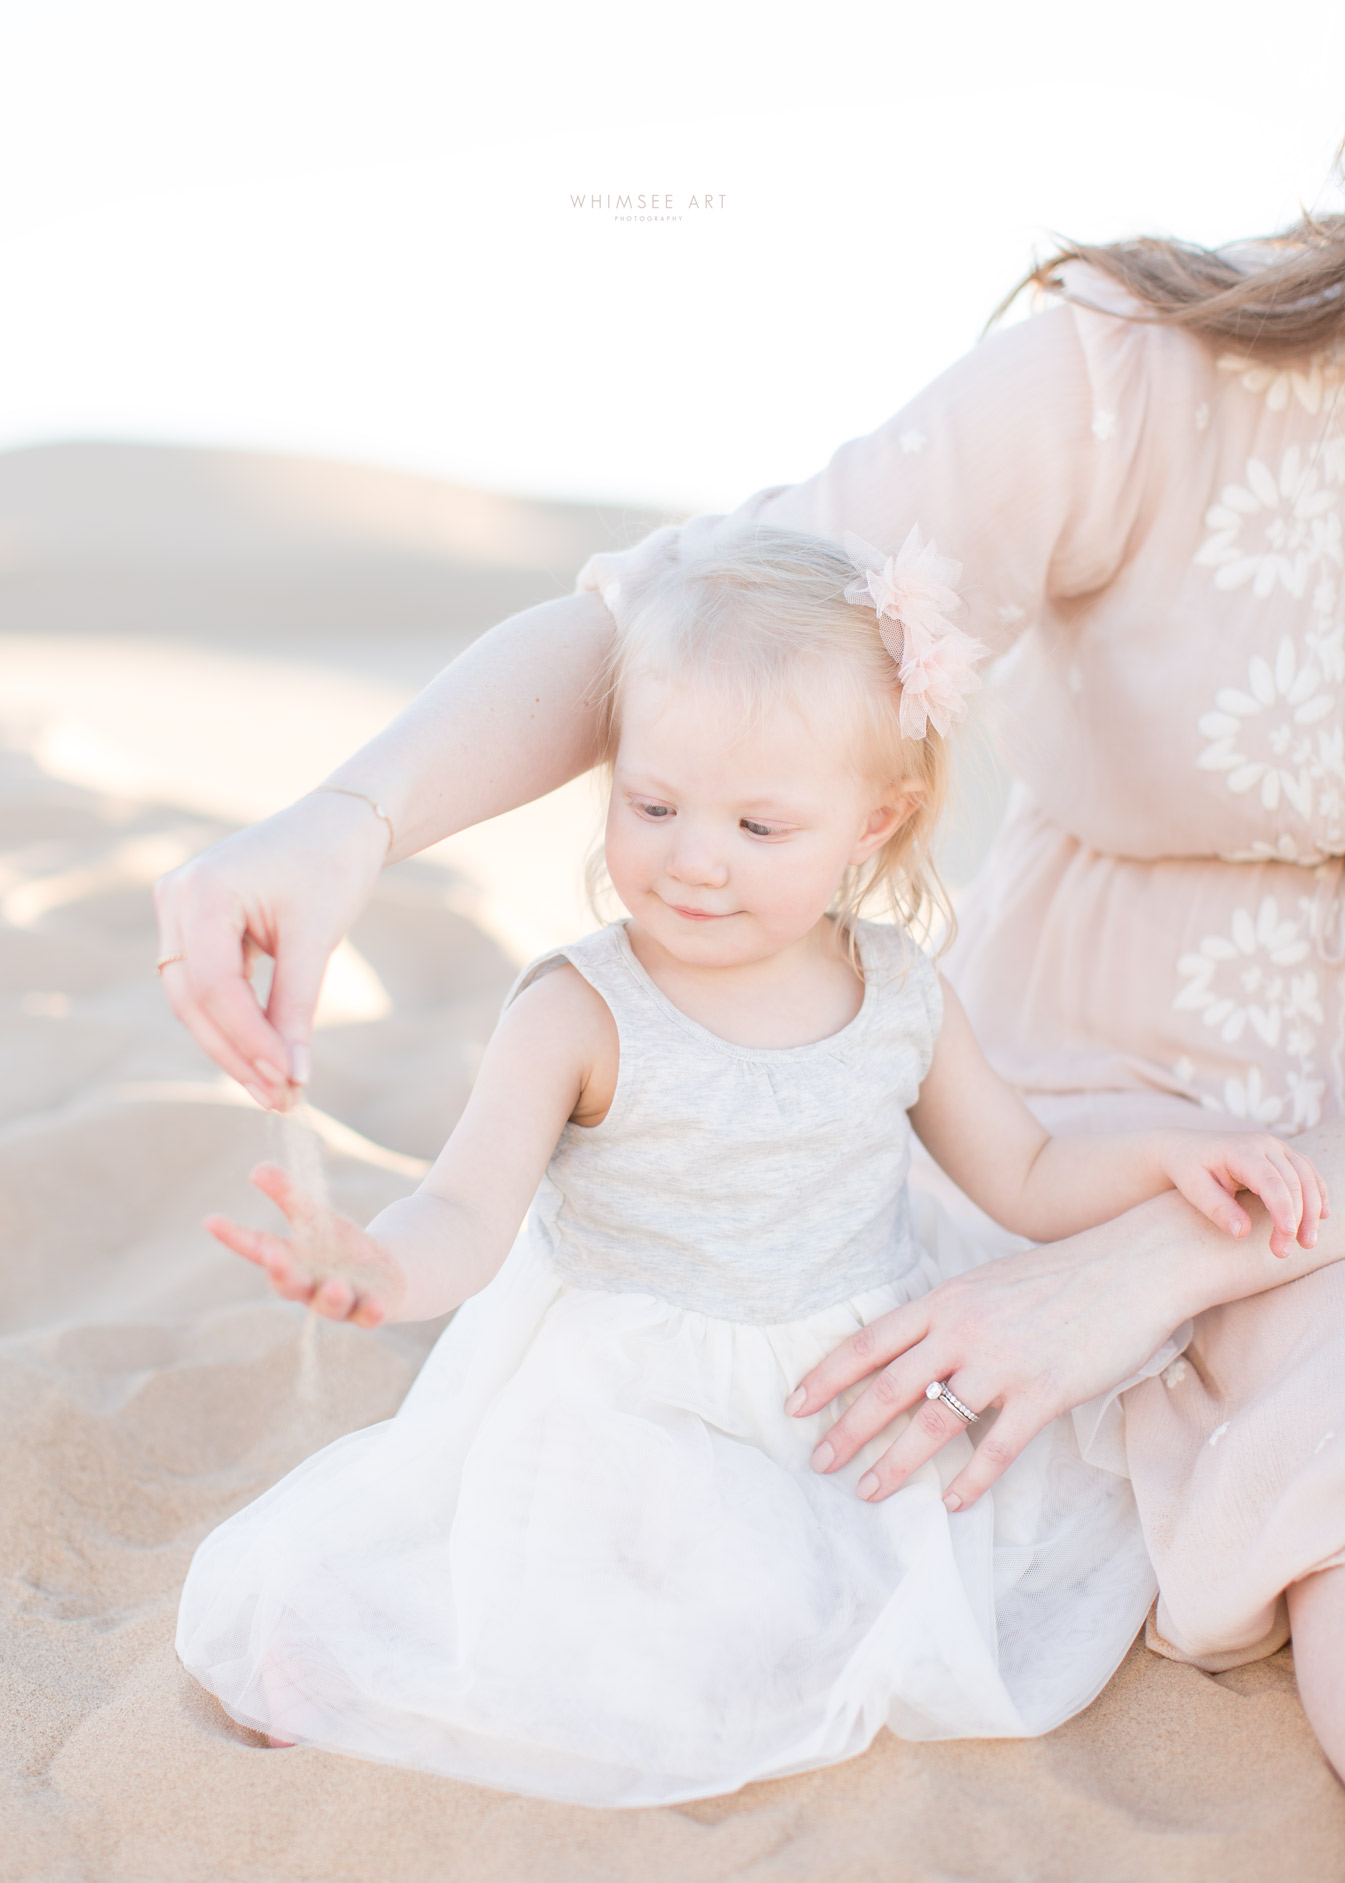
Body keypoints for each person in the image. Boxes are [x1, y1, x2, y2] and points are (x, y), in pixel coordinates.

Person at [155, 210, 1345, 1774]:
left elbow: (1049, 1185)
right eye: (653, 809)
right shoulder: (1129, 386)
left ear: (877, 827)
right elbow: (684, 633)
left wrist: (1168, 1236)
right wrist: (346, 821)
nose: (695, 861)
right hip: (1057, 1091)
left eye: (754, 826)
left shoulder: (893, 994)